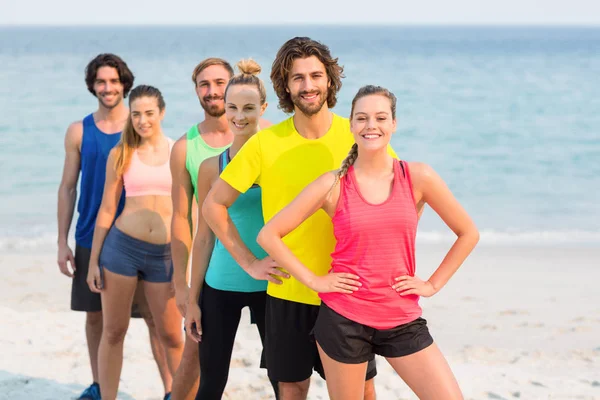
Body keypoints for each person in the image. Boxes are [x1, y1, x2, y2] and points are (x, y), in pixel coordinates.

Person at [258, 85, 480, 400]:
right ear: (350, 125)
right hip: (343, 320)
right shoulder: (332, 184)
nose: (370, 125)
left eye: (380, 117)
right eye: (361, 118)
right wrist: (313, 280)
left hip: (401, 317)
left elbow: (468, 232)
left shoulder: (418, 177)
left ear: (393, 124)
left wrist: (432, 285)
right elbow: (269, 234)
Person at [202, 37, 395, 400]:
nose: (308, 85)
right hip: (287, 291)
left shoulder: (356, 133)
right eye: (298, 78)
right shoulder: (264, 143)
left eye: (316, 75)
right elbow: (213, 206)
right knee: (291, 389)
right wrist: (250, 263)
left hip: (347, 292)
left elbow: (398, 197)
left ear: (330, 80)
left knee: (361, 392)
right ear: (285, 86)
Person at [57, 54, 171, 400]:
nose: (107, 88)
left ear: (125, 85)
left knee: (157, 321)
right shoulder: (80, 131)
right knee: (98, 320)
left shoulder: (143, 130)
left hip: (147, 242)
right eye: (101, 81)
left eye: (114, 81)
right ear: (92, 85)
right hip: (94, 234)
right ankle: (99, 386)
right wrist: (62, 242)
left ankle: (170, 388)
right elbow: (67, 187)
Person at [169, 57, 270, 399]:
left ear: (263, 108)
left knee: (283, 380)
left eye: (248, 108)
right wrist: (192, 297)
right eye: (232, 108)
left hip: (272, 283)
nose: (239, 116)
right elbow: (204, 235)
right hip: (220, 283)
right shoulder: (213, 165)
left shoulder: (276, 157)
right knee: (211, 384)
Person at [86, 85, 184, 400]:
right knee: (114, 332)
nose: (142, 120)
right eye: (137, 114)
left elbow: (188, 211)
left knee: (171, 335)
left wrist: (187, 261)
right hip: (121, 250)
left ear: (162, 113)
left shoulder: (177, 151)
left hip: (165, 256)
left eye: (149, 113)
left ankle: (177, 394)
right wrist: (93, 262)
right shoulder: (122, 152)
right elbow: (106, 209)